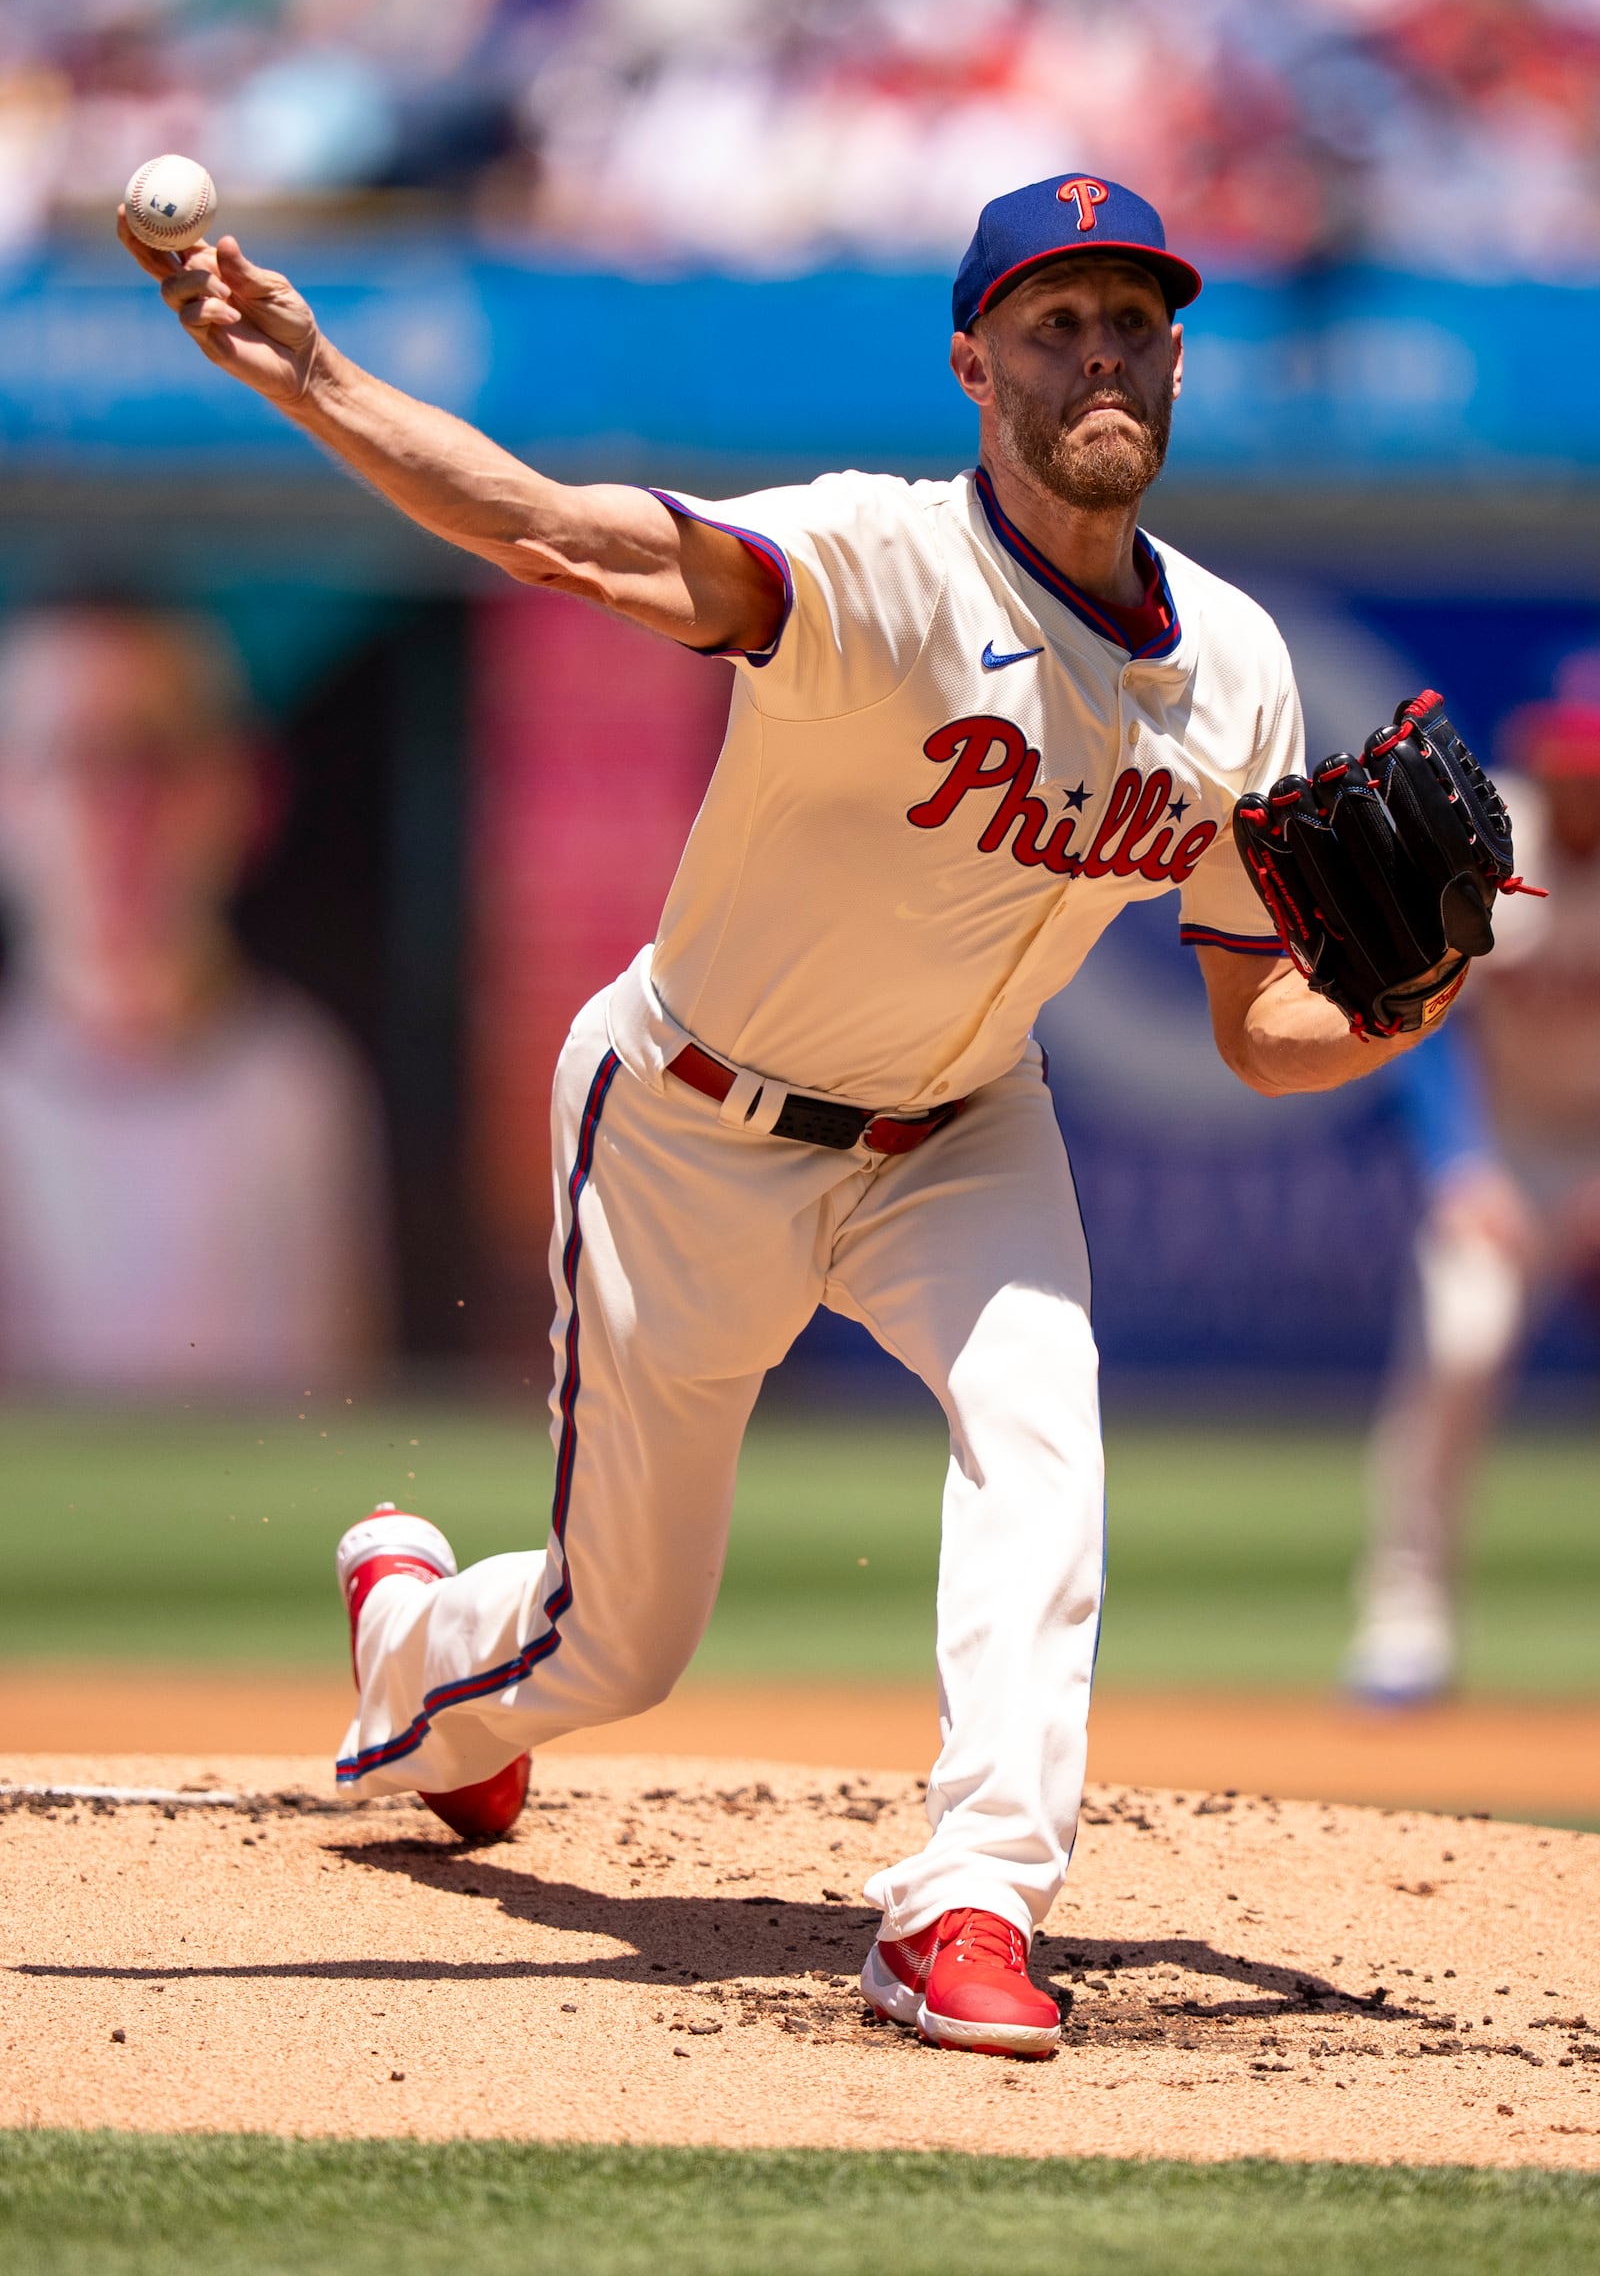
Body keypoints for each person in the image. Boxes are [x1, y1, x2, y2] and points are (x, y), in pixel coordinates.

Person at [123, 170, 1459, 2058]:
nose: (1102, 355)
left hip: (968, 1131)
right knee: (620, 1645)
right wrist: (319, 378)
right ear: (973, 366)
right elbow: (560, 540)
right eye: (1055, 322)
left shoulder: (1235, 670)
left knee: (1045, 1429)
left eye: (1134, 323)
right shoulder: (874, 567)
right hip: (690, 1121)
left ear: (1174, 363)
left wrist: (1407, 1005)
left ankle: (973, 1900)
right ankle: (415, 1641)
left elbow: (1264, 1025)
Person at [0, 606, 391, 1393]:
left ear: (244, 787)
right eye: (73, 758)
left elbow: (335, 1427)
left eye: (152, 759)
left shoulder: (300, 1090)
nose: (116, 813)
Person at [1344, 654, 1600, 1705]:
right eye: (1564, 763)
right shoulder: (1497, 846)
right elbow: (1429, 1027)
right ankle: (1404, 1624)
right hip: (1505, 1154)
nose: (1573, 783)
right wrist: (1460, 1167)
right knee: (1460, 1346)